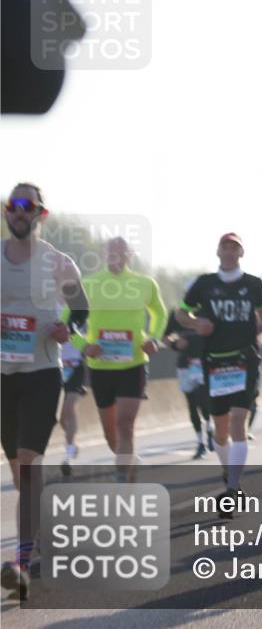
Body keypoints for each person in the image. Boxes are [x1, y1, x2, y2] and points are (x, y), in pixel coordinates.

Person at [1, 183, 88, 600]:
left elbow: (82, 311)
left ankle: (21, 564)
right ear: (6, 213)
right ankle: (34, 535)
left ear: (41, 214)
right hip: (2, 377)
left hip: (41, 373)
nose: (19, 212)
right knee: (20, 472)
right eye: (13, 206)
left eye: (27, 206)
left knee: (30, 464)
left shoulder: (57, 262)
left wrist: (65, 328)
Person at [175, 233, 262, 519]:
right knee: (220, 430)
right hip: (215, 362)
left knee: (239, 423)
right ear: (218, 251)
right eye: (225, 247)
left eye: (235, 248)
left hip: (245, 360)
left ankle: (231, 490)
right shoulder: (205, 284)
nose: (229, 252)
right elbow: (181, 314)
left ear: (241, 252)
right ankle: (229, 474)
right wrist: (196, 323)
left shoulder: (253, 284)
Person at [70, 236, 167, 482]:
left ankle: (122, 481)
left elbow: (160, 313)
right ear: (104, 253)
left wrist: (153, 338)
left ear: (129, 255)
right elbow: (66, 321)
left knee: (125, 424)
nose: (116, 255)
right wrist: (84, 345)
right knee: (111, 435)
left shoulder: (145, 284)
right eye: (112, 251)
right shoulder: (89, 285)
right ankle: (130, 461)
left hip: (133, 363)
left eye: (121, 251)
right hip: (101, 367)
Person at [163, 292, 213, 460]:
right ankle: (200, 443)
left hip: (203, 363)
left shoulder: (208, 312)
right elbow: (164, 337)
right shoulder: (177, 313)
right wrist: (176, 344)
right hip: (185, 365)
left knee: (202, 400)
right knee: (191, 404)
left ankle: (210, 428)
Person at [58, 328, 87, 476]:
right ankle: (73, 443)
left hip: (75, 367)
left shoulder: (78, 308)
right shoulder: (47, 306)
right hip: (57, 366)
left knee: (70, 407)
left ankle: (68, 455)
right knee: (62, 419)